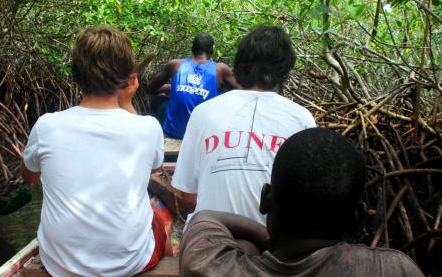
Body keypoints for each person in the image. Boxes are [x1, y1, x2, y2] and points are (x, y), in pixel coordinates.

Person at [21, 25, 169, 276]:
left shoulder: (46, 125)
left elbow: (30, 177)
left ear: (76, 74)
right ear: (127, 78)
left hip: (60, 264)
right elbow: (154, 168)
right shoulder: (148, 127)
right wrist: (127, 102)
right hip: (129, 264)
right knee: (158, 217)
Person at [179, 128, 426, 276]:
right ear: (357, 219)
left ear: (266, 200)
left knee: (246, 245)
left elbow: (205, 218)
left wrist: (263, 240)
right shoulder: (395, 269)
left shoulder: (211, 266)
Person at [172, 25, 316, 225]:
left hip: (210, 242)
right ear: (285, 70)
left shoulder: (203, 112)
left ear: (239, 65)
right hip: (274, 248)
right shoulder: (303, 119)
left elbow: (188, 195)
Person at [146, 33, 240, 139]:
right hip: (204, 135)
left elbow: (150, 88)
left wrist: (168, 88)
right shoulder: (220, 69)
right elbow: (243, 91)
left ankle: (163, 131)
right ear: (211, 51)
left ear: (192, 49)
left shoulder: (175, 65)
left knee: (159, 99)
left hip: (176, 132)